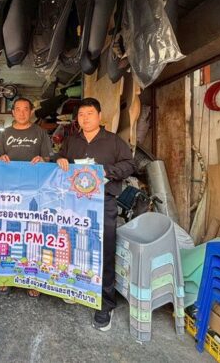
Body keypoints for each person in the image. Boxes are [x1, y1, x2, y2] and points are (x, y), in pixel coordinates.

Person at [56, 97, 136, 331]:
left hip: (103, 202)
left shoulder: (113, 141)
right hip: (76, 203)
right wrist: (59, 159)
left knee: (104, 250)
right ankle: (77, 288)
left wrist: (106, 171)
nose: (85, 118)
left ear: (99, 116)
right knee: (75, 246)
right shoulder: (72, 141)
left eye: (89, 113)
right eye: (81, 115)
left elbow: (130, 164)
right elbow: (58, 159)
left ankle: (105, 304)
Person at [0, 97, 51, 297]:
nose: (21, 113)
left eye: (25, 109)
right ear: (12, 112)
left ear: (30, 112)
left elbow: (48, 158)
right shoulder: (5, 134)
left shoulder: (40, 133)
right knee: (9, 234)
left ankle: (33, 279)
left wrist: (43, 159)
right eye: (17, 109)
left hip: (34, 194)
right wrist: (1, 159)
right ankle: (6, 276)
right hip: (9, 194)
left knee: (32, 236)